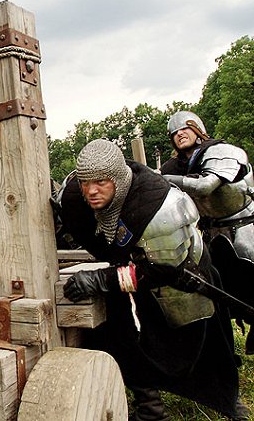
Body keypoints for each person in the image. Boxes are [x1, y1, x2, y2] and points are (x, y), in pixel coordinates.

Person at [57, 139, 249, 420]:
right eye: (86, 182)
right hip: (135, 267)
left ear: (118, 179)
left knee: (204, 344)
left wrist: (102, 278)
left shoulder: (158, 205)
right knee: (114, 330)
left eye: (100, 182)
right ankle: (150, 408)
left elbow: (163, 268)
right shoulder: (77, 194)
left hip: (185, 277)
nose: (91, 191)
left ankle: (229, 398)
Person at [161, 110, 254, 353]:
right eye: (174, 133)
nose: (179, 134)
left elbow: (205, 186)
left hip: (245, 230)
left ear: (198, 129)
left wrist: (160, 178)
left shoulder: (222, 152)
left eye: (184, 128)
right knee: (218, 297)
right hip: (210, 237)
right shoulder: (176, 166)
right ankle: (226, 353)